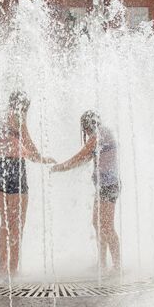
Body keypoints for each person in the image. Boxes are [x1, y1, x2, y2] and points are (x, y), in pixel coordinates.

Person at [0, 91, 55, 280]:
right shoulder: (16, 117)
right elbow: (27, 143)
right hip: (14, 168)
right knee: (17, 223)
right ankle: (13, 270)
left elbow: (5, 143)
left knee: (5, 223)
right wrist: (42, 159)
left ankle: (1, 270)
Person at [51, 110, 121, 276]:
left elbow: (80, 157)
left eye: (85, 129)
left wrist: (58, 168)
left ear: (87, 126)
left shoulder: (98, 136)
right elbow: (85, 158)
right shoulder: (101, 134)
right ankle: (102, 263)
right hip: (104, 186)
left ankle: (117, 266)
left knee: (107, 226)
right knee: (98, 224)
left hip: (109, 186)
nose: (86, 133)